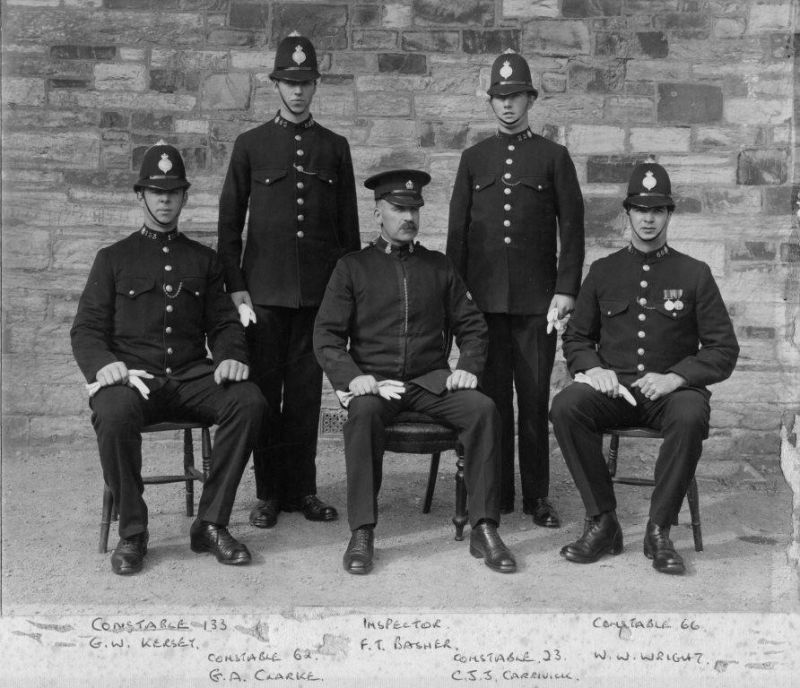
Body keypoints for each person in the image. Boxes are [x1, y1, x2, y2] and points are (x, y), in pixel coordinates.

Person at [71, 142, 267, 575]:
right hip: (135, 381)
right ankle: (134, 532)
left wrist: (231, 356)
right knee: (112, 411)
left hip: (191, 378)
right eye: (156, 192)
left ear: (184, 197)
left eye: (173, 192)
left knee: (249, 400)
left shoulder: (204, 260)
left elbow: (223, 323)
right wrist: (104, 364)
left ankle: (211, 523)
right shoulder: (113, 259)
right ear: (140, 196)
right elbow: (86, 330)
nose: (165, 200)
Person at [314, 169, 517, 576]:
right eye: (398, 208)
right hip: (377, 386)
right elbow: (326, 336)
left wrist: (468, 368)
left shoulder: (438, 267)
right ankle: (363, 531)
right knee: (363, 415)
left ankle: (484, 527)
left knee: (482, 410)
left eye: (414, 210)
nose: (408, 218)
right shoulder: (352, 268)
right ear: (378, 213)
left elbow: (473, 327)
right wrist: (353, 378)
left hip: (431, 383)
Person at [549, 159, 739, 575]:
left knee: (691, 414)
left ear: (669, 214)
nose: (648, 219)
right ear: (628, 212)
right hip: (615, 390)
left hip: (670, 395)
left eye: (657, 210)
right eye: (640, 209)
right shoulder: (603, 271)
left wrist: (676, 378)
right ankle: (603, 522)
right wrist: (593, 369)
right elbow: (577, 338)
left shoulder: (695, 273)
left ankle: (659, 531)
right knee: (566, 406)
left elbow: (724, 349)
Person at [217, 33, 360, 530]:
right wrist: (236, 287)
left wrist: (348, 299)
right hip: (263, 296)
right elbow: (229, 224)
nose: (297, 92)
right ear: (275, 84)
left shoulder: (334, 148)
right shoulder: (250, 145)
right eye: (288, 82)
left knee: (305, 397)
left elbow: (349, 234)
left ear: (317, 85)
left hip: (317, 298)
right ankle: (268, 494)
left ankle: (303, 489)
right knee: (264, 392)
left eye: (305, 83)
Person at [446, 50, 585, 527]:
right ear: (491, 102)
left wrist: (565, 289)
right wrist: (456, 302)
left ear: (530, 99)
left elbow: (573, 228)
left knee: (532, 400)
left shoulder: (553, 157)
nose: (508, 105)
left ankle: (538, 497)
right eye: (500, 97)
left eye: (516, 96)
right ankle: (499, 494)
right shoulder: (473, 159)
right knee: (492, 401)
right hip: (483, 305)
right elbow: (457, 238)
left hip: (535, 305)